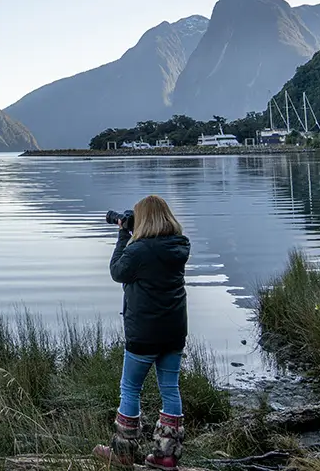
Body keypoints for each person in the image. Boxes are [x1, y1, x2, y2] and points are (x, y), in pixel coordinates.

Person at [93, 195, 190, 470]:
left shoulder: (139, 250)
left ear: (143, 220)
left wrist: (123, 234)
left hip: (144, 334)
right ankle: (166, 455)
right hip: (174, 331)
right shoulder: (181, 246)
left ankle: (123, 451)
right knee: (170, 389)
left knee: (130, 389)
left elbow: (117, 271)